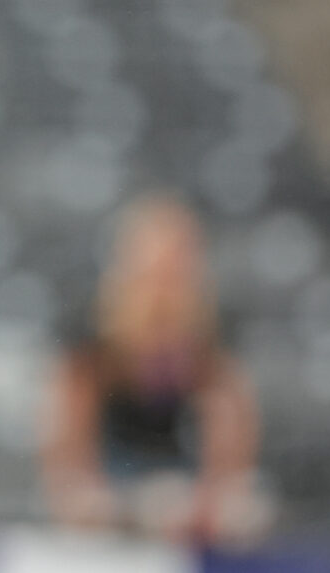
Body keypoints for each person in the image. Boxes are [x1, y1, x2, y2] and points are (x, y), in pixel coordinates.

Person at [38, 194, 271, 547]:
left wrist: (203, 505)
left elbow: (232, 464)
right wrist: (126, 509)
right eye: (152, 275)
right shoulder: (91, 343)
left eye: (176, 274)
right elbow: (66, 466)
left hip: (189, 501)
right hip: (110, 503)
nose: (163, 292)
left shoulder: (213, 345)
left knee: (246, 512)